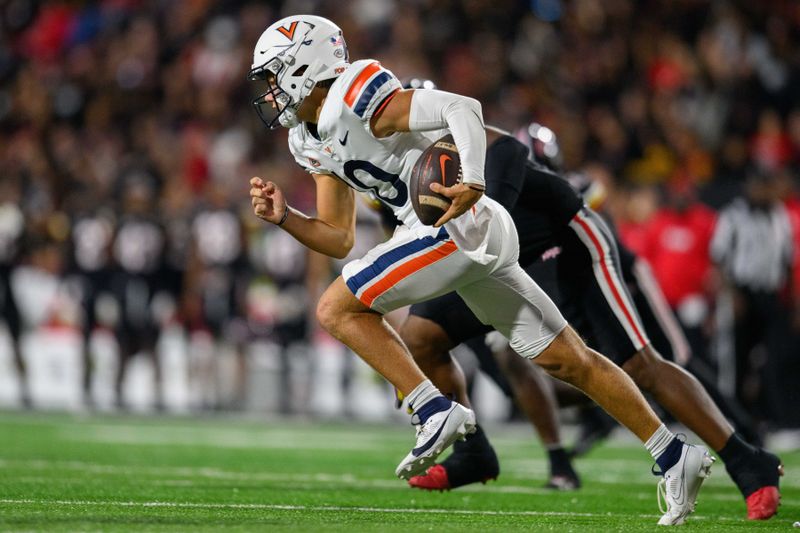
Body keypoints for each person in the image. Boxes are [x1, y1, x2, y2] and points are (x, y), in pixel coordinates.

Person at [247, 15, 711, 525]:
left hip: (456, 224)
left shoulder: (356, 91)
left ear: (303, 67)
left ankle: (434, 409)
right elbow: (339, 236)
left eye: (272, 76)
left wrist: (473, 179)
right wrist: (286, 218)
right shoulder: (307, 140)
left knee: (336, 307)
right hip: (444, 234)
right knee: (567, 359)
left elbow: (460, 108)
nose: (268, 92)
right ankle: (674, 454)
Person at [400, 122, 782, 520]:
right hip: (499, 260)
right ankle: (473, 451)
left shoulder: (448, 135)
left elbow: (509, 148)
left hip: (567, 242)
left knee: (639, 365)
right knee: (421, 335)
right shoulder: (371, 164)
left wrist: (488, 205)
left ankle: (748, 461)